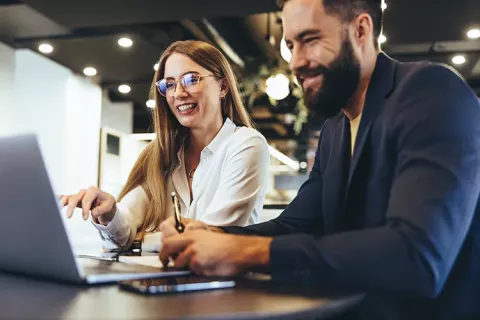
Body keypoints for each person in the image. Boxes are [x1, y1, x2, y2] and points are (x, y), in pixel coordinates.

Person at [159, 0, 480, 319]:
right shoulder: (335, 129)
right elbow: (297, 225)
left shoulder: (431, 91)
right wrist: (214, 235)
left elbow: (416, 256)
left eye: (310, 40)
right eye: (289, 46)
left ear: (361, 30)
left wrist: (249, 252)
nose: (296, 62)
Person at [60, 40, 270, 252]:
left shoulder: (246, 144)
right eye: (169, 84)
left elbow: (209, 237)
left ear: (223, 86)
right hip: (165, 281)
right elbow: (126, 222)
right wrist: (109, 212)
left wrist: (139, 242)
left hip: (226, 282)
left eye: (191, 79)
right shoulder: (162, 154)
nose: (178, 93)